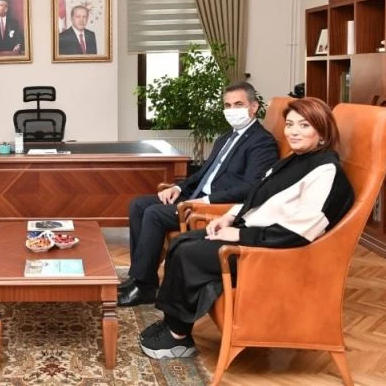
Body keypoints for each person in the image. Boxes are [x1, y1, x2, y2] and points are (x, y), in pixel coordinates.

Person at [140, 97, 355, 359]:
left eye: (304, 125)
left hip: (271, 253)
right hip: (253, 235)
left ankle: (178, 338)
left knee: (189, 254)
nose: (293, 132)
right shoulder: (294, 160)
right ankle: (174, 323)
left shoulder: (326, 171)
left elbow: (299, 232)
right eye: (289, 124)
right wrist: (229, 218)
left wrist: (240, 234)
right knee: (181, 242)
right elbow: (256, 197)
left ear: (322, 132)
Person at [119, 81, 278, 307]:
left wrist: (206, 200)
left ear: (253, 107)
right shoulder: (226, 138)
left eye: (238, 104)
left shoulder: (262, 142)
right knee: (138, 204)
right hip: (197, 196)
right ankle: (139, 277)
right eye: (227, 105)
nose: (232, 110)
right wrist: (178, 188)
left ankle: (144, 288)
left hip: (216, 206)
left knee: (154, 213)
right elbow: (204, 173)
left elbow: (252, 187)